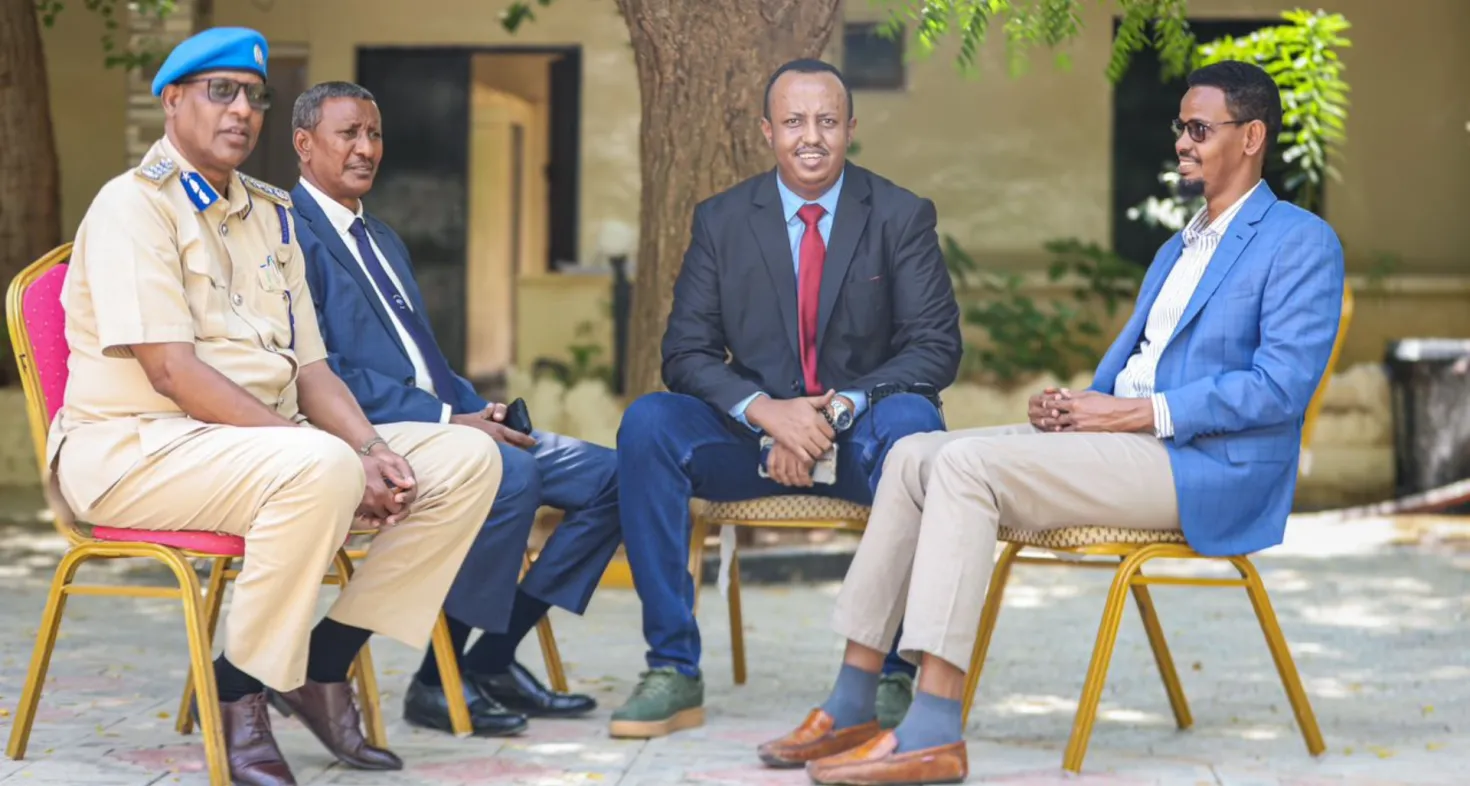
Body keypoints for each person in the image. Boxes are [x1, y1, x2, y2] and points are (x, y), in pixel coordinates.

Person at [758, 60, 1346, 785]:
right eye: (1180, 128)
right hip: (1127, 442)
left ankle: (934, 728)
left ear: (1251, 135)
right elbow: (1140, 369)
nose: (1182, 144)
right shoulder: (1178, 246)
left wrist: (1133, 412)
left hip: (1207, 466)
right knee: (915, 454)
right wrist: (1073, 410)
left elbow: (1279, 387)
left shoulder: (1300, 241)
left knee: (965, 469)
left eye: (1200, 128)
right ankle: (852, 700)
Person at [45, 28, 501, 786]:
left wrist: (370, 444)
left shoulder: (268, 211)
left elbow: (312, 364)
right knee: (318, 464)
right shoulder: (133, 206)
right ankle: (239, 694)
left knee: (464, 460)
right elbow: (172, 372)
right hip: (136, 449)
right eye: (220, 91)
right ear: (173, 101)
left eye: (253, 96)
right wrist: (334, 452)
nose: (241, 110)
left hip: (262, 448)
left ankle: (320, 668)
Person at [608, 59, 963, 739]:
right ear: (767, 130)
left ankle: (891, 672)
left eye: (827, 121)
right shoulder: (721, 221)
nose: (811, 136)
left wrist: (835, 412)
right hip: (750, 440)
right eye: (795, 121)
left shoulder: (898, 214)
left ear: (850, 129)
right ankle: (673, 669)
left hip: (862, 441)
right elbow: (684, 353)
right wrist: (766, 413)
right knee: (649, 425)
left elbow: (935, 348)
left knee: (917, 426)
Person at [289, 81, 615, 736]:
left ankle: (490, 658)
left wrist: (473, 408)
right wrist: (448, 423)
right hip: (367, 434)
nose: (366, 148)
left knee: (617, 476)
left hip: (444, 421)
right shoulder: (288, 237)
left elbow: (421, 357)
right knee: (511, 473)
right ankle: (437, 683)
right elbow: (323, 372)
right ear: (304, 144)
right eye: (348, 133)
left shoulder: (382, 237)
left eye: (374, 134)